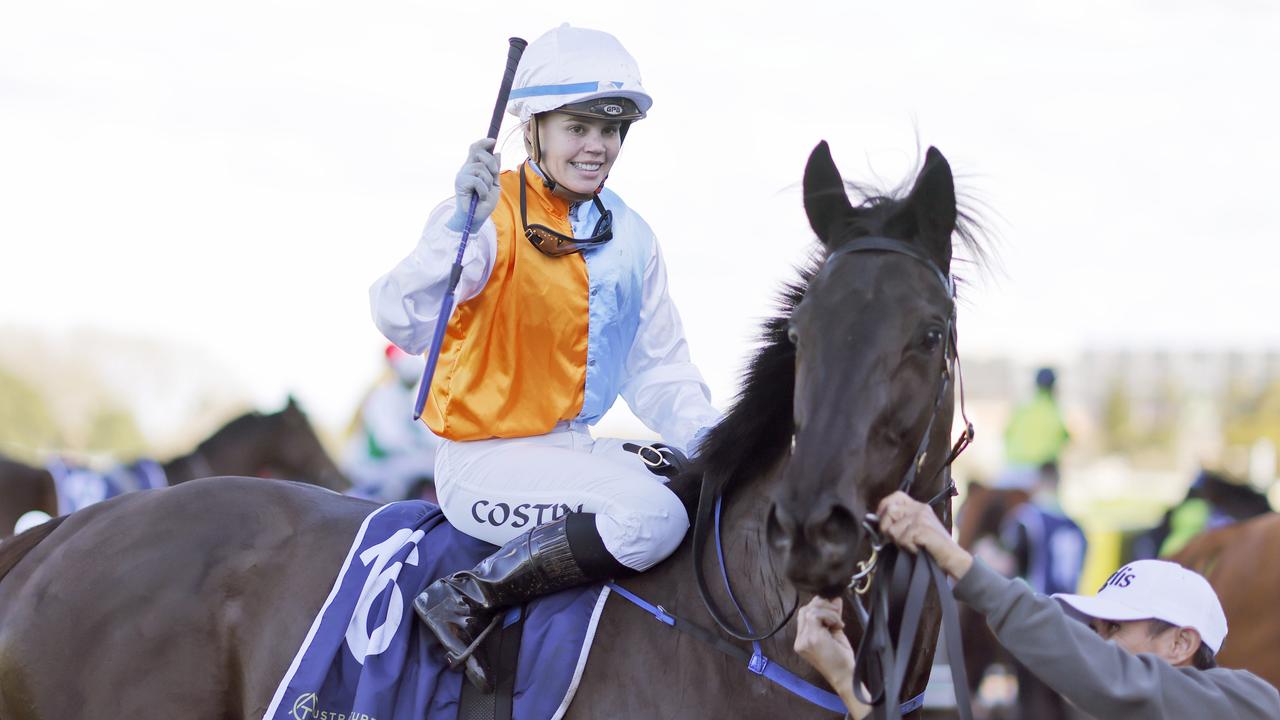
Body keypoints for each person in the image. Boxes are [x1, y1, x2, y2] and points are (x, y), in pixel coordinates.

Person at [369, 24, 718, 691]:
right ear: (534, 129)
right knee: (652, 518)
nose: (598, 147)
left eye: (611, 131)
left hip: (572, 450)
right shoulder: (483, 215)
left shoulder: (632, 236)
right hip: (484, 462)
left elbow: (660, 369)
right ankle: (467, 596)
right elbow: (400, 318)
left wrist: (720, 443)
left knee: (701, 494)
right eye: (579, 128)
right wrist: (455, 230)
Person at [793, 491, 1280, 720]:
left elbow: (1115, 678)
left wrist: (960, 564)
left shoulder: (1250, 704)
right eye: (1096, 628)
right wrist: (845, 680)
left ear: (1180, 642)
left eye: (1114, 628)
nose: (1096, 642)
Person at [996, 462, 1087, 718]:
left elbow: (1010, 564)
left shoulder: (1026, 517)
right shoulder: (1075, 525)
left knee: (1031, 699)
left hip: (1034, 614)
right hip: (1069, 616)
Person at [341, 344, 443, 503]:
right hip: (374, 467)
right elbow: (390, 440)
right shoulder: (384, 396)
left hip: (395, 462)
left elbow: (426, 433)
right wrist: (425, 450)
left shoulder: (407, 398)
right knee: (426, 464)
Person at [998, 367, 1070, 490]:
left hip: (1010, 469)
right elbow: (1065, 438)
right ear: (1054, 386)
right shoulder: (1054, 410)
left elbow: (1005, 433)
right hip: (1039, 473)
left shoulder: (1022, 407)